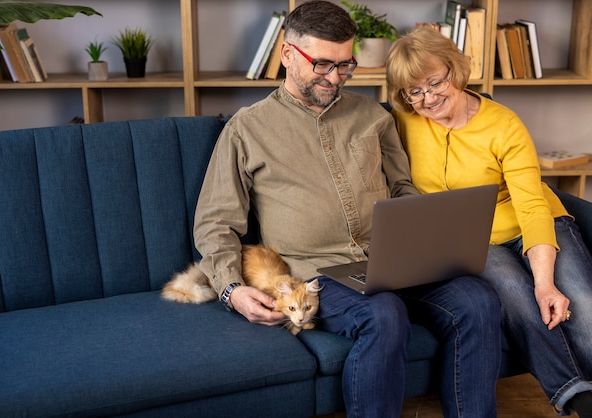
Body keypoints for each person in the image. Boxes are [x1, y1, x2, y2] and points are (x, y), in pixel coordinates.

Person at [193, 2, 501, 417]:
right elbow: (216, 222)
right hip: (319, 272)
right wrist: (231, 290)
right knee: (384, 314)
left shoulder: (374, 116)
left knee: (479, 298)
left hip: (394, 259)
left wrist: (424, 234)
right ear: (287, 54)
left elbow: (402, 187)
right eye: (322, 65)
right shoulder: (247, 129)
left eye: (345, 65)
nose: (335, 77)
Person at [386, 26, 592, 418]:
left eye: (435, 83)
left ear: (454, 70)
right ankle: (575, 394)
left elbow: (531, 205)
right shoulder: (403, 121)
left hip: (537, 221)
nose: (428, 99)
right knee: (515, 294)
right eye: (415, 91)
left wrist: (545, 282)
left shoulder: (503, 124)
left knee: (583, 304)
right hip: (477, 238)